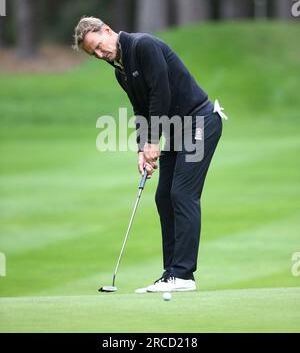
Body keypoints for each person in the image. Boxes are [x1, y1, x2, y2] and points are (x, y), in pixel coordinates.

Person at [73, 16, 228, 293]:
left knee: (182, 194)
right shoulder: (120, 70)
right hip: (178, 128)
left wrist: (154, 141)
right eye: (93, 53)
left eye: (98, 45)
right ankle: (172, 274)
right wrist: (142, 150)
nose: (100, 54)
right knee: (163, 196)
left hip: (200, 121)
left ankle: (183, 275)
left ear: (107, 30)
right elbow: (140, 109)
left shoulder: (143, 46)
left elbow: (161, 92)